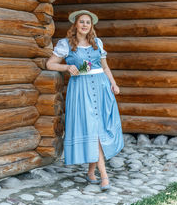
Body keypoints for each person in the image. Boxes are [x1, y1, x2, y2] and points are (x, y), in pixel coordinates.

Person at [46, 10, 124, 191]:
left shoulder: (97, 43)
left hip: (101, 87)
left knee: (98, 129)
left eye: (88, 22)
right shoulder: (66, 44)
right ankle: (104, 176)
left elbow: (105, 67)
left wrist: (114, 84)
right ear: (75, 24)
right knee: (92, 130)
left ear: (91, 25)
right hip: (81, 90)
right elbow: (50, 64)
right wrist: (67, 66)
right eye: (81, 22)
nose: (84, 25)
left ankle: (91, 172)